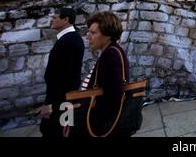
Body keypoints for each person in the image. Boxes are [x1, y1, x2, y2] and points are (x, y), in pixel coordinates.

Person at [40, 8, 85, 138]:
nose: (51, 20)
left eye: (55, 17)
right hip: (65, 99)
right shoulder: (70, 38)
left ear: (66, 19)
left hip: (61, 101)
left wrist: (49, 104)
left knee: (57, 132)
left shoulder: (68, 41)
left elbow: (60, 77)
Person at [84, 12, 130, 137]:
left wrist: (90, 110)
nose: (88, 36)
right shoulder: (111, 51)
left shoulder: (111, 55)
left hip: (101, 126)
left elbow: (114, 95)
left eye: (93, 33)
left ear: (108, 35)